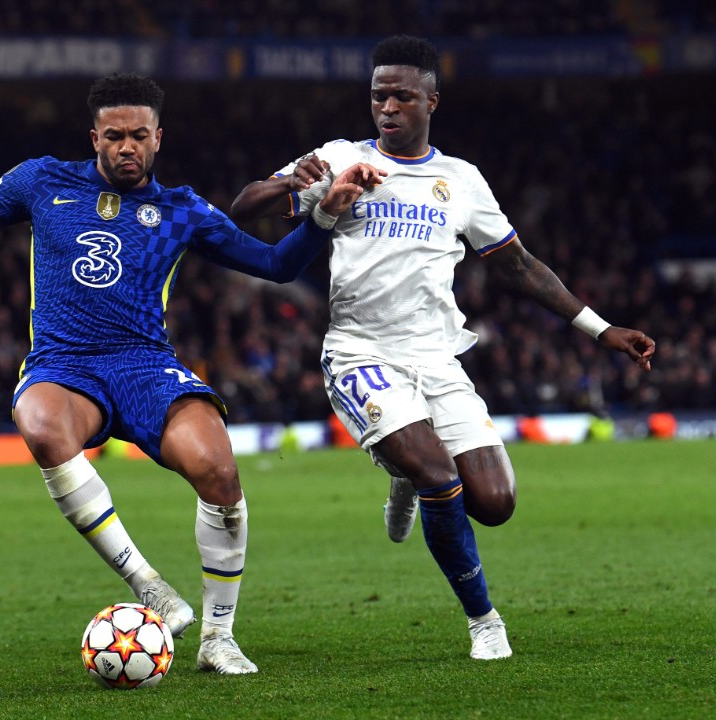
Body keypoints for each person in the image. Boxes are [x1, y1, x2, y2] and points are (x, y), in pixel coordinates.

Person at [0, 73, 380, 674]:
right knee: (39, 423)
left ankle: (218, 637)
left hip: (147, 367)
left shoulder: (182, 210)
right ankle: (150, 586)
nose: (126, 147)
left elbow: (273, 264)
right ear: (94, 137)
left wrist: (321, 221)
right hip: (64, 363)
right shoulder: (41, 182)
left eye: (138, 136)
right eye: (113, 136)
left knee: (218, 470)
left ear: (159, 138)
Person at [229, 35, 656, 661]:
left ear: (433, 100)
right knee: (438, 474)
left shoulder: (460, 180)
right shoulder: (339, 157)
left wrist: (602, 329)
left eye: (403, 95)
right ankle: (484, 620)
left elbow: (521, 266)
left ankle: (405, 474)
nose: (389, 107)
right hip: (360, 351)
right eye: (379, 96)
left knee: (496, 504)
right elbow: (245, 208)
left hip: (436, 358)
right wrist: (301, 181)